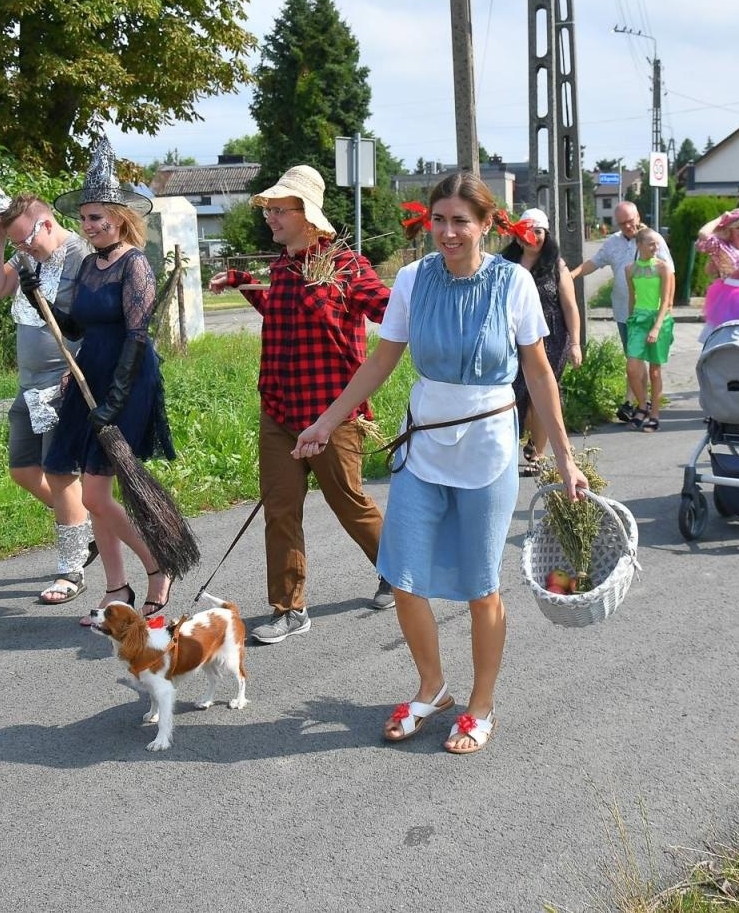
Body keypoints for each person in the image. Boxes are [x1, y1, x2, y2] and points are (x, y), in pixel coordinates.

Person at [293, 172, 588, 755]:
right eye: (439, 220)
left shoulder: (514, 283)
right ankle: (432, 687)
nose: (448, 232)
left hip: (488, 447)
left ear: (485, 225)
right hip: (423, 445)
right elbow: (381, 361)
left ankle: (482, 705)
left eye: (460, 221)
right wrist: (326, 423)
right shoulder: (410, 279)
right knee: (402, 574)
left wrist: (565, 459)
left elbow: (538, 374)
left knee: (482, 586)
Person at [208, 165, 395, 642]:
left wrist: (433, 301)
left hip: (332, 414)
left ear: (307, 215)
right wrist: (242, 281)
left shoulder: (345, 265)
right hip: (280, 412)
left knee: (349, 503)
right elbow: (280, 312)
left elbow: (387, 308)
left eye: (278, 209)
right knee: (280, 511)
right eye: (268, 209)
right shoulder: (283, 268)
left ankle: (399, 572)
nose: (269, 217)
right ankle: (288, 609)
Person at [37, 135, 176, 625]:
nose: (88, 225)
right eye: (84, 218)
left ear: (119, 218)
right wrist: (43, 301)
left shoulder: (134, 263)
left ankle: (158, 567)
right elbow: (75, 328)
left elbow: (137, 336)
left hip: (127, 382)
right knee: (93, 493)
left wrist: (115, 400)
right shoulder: (88, 267)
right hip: (88, 377)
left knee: (95, 494)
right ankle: (117, 588)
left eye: (97, 217)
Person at [0, 178, 97, 604]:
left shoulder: (83, 258)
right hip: (28, 387)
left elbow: (100, 323)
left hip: (64, 384)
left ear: (45, 224)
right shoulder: (26, 254)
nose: (21, 250)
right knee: (23, 470)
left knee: (61, 472)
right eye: (15, 244)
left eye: (24, 241)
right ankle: (85, 528)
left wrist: (84, 368)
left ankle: (71, 569)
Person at [567, 200, 673, 421]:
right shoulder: (613, 243)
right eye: (622, 223)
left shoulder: (653, 239)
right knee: (633, 359)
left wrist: (665, 311)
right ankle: (637, 402)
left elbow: (669, 273)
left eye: (630, 221)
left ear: (638, 216)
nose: (627, 227)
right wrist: (573, 274)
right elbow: (595, 263)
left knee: (646, 362)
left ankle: (639, 404)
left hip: (653, 313)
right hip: (626, 312)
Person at [501, 207, 582, 475]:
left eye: (538, 231)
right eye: (527, 230)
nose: (532, 236)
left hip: (552, 339)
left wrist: (575, 343)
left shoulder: (557, 266)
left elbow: (570, 307)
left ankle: (537, 453)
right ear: (517, 234)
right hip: (512, 339)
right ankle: (512, 447)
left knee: (541, 395)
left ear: (546, 234)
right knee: (513, 394)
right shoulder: (505, 264)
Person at [624, 229, 676, 433]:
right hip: (638, 319)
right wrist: (630, 319)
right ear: (639, 245)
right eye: (651, 244)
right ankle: (642, 405)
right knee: (631, 367)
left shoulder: (663, 268)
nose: (656, 248)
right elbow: (632, 297)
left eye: (657, 244)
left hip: (659, 319)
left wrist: (656, 326)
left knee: (655, 371)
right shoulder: (629, 270)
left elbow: (666, 302)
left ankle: (654, 414)